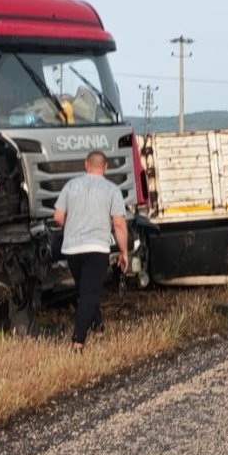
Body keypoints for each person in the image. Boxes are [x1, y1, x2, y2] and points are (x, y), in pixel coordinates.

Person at [52, 150, 129, 350]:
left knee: (85, 290)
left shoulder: (70, 186)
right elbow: (119, 224)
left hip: (72, 248)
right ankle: (78, 340)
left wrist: (71, 226)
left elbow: (58, 218)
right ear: (105, 167)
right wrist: (124, 252)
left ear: (86, 165)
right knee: (89, 293)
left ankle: (98, 326)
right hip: (97, 247)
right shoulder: (112, 190)